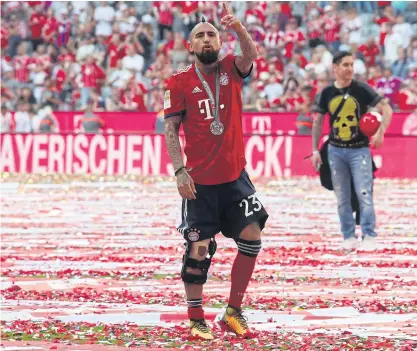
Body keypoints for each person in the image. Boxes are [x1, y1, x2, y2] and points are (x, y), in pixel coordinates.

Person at [163, 3, 268, 340]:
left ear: (220, 42)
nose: (207, 39)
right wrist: (179, 170)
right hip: (200, 183)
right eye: (200, 36)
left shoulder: (231, 68)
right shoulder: (178, 82)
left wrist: (238, 28)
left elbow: (251, 54)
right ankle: (196, 319)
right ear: (189, 46)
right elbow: (171, 130)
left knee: (252, 236)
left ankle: (233, 311)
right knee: (199, 250)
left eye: (212, 34)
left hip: (235, 176)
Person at [311, 51, 393, 251]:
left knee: (364, 193)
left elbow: (387, 109)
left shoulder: (362, 89)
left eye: (351, 65)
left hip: (359, 150)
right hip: (335, 151)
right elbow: (318, 121)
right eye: (345, 65)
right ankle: (348, 236)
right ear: (335, 68)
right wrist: (314, 149)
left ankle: (369, 235)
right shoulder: (326, 92)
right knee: (342, 196)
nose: (349, 69)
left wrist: (381, 132)